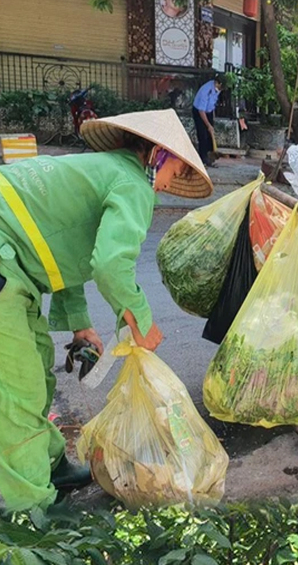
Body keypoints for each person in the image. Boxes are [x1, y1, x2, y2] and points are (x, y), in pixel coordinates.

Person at [0, 109, 212, 512]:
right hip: (6, 263)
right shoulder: (132, 184)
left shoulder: (105, 169)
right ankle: (31, 514)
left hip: (16, 268)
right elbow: (111, 265)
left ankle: (51, 466)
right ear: (157, 155)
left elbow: (67, 253)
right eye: (176, 169)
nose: (169, 184)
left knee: (38, 367)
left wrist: (80, 327)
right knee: (17, 389)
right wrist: (141, 322)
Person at [193, 74, 224, 167]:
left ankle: (210, 157)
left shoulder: (217, 89)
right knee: (203, 135)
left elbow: (212, 105)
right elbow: (201, 110)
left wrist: (211, 123)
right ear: (218, 83)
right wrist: (208, 125)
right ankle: (202, 159)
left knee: (210, 135)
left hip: (208, 111)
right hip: (199, 112)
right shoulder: (206, 90)